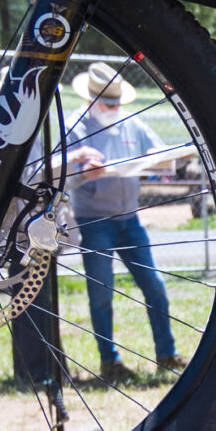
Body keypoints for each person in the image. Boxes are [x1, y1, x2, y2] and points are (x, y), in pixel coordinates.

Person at [64, 63, 180, 378]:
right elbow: (61, 173)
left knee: (154, 286)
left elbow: (157, 151)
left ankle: (167, 353)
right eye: (108, 103)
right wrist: (81, 172)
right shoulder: (75, 127)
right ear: (90, 100)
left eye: (118, 103)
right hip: (94, 220)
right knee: (101, 291)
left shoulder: (133, 124)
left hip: (130, 219)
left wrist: (161, 159)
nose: (115, 109)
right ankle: (109, 360)